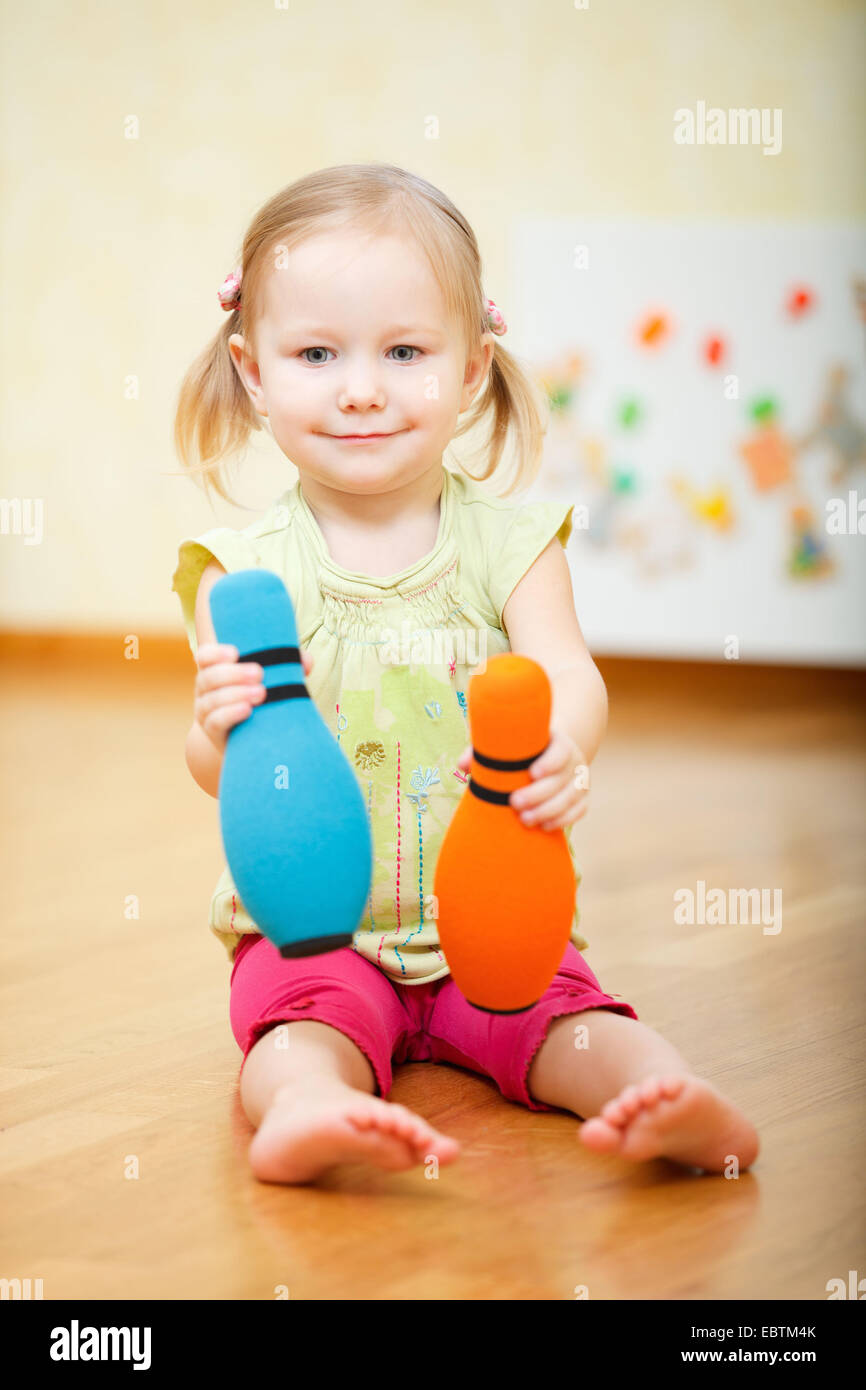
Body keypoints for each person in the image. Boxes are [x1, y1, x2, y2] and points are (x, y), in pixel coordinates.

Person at [171, 163, 759, 1185]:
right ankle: (309, 1109)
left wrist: (564, 744)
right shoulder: (247, 572)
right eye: (315, 353)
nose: (360, 387)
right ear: (253, 370)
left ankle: (656, 1092)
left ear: (472, 368)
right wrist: (216, 728)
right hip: (315, 930)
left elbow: (567, 674)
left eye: (404, 351)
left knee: (570, 1018)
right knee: (301, 1026)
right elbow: (225, 772)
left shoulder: (513, 544)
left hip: (491, 917)